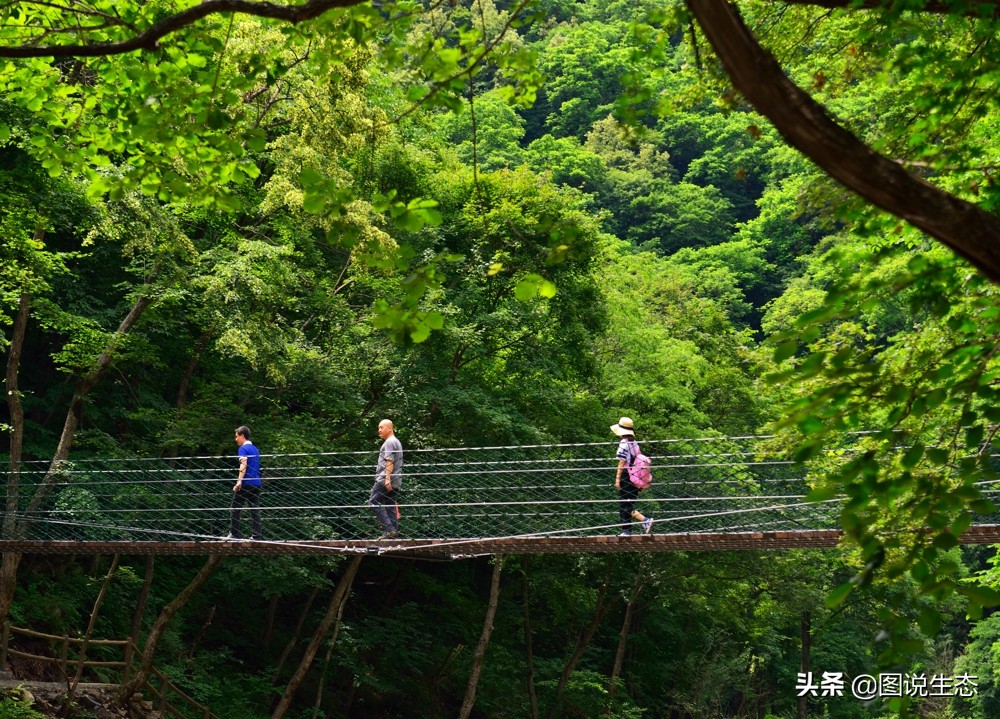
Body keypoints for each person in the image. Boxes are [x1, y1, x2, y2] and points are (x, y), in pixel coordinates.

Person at [612, 417, 653, 537]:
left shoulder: (623, 444)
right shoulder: (634, 443)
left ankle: (632, 528)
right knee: (628, 504)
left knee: (624, 505)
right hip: (636, 477)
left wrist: (617, 479)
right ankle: (642, 522)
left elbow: (621, 462)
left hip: (627, 476)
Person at [225, 425, 263, 540]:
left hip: (246, 483)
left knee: (235, 508)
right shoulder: (255, 449)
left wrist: (239, 481)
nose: (235, 439)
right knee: (254, 509)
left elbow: (244, 464)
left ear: (242, 435)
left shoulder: (242, 449)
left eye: (236, 436)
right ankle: (257, 535)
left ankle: (235, 534)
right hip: (256, 483)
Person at [370, 419, 403, 540]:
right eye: (378, 428)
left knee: (373, 502)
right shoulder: (397, 442)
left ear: (390, 428)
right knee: (389, 505)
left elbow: (389, 461)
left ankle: (389, 529)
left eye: (381, 427)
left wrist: (387, 479)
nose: (379, 430)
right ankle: (393, 535)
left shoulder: (389, 442)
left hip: (385, 478)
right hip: (396, 480)